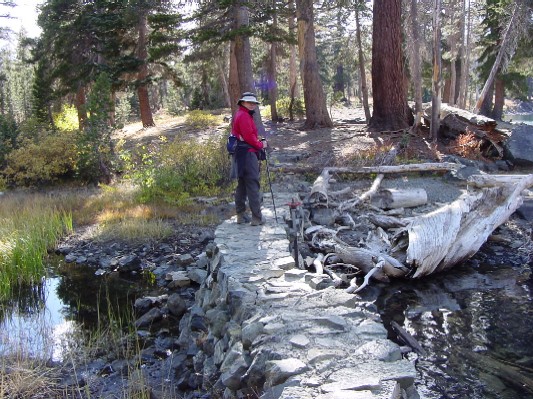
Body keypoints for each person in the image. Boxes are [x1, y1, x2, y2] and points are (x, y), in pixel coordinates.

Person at [231, 92, 268, 226]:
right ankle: (257, 218)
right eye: (249, 102)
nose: (252, 105)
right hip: (247, 153)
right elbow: (249, 137)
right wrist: (261, 144)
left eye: (254, 103)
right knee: (252, 183)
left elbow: (245, 136)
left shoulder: (240, 114)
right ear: (243, 103)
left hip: (240, 154)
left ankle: (241, 215)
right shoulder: (244, 116)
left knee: (242, 184)